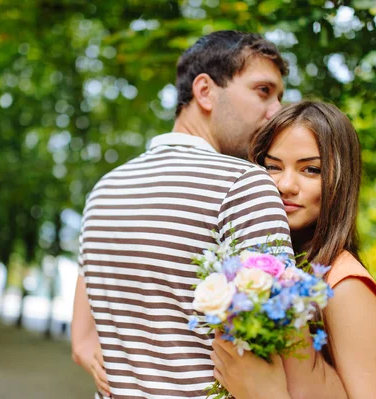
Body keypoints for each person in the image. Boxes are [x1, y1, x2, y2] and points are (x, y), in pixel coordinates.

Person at [71, 30, 296, 399]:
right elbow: (280, 346)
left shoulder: (104, 189)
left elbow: (82, 341)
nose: (277, 111)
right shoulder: (244, 184)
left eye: (279, 97)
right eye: (263, 91)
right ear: (205, 91)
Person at [211, 101, 376, 399]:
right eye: (272, 166)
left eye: (311, 170)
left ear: (341, 181)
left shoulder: (345, 285)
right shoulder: (258, 265)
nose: (285, 185)